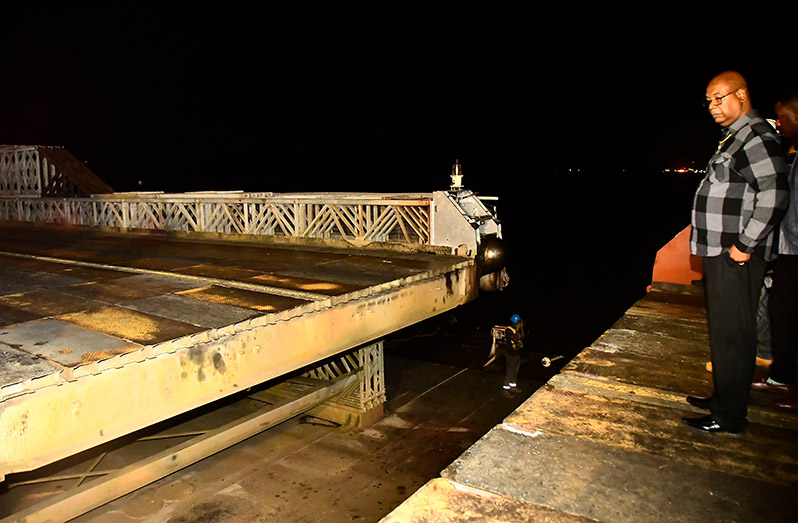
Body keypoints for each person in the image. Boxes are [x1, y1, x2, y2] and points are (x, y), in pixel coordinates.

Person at [684, 71, 789, 435]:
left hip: (735, 253)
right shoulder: (736, 137)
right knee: (725, 329)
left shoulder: (756, 136)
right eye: (708, 101)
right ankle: (723, 399)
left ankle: (730, 417)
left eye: (719, 98)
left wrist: (744, 246)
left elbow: (774, 195)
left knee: (734, 334)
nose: (712, 107)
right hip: (723, 251)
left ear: (741, 95)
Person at [751, 91, 798, 410]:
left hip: (794, 249)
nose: (778, 124)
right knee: (782, 313)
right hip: (787, 249)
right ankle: (781, 376)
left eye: (783, 118)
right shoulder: (793, 152)